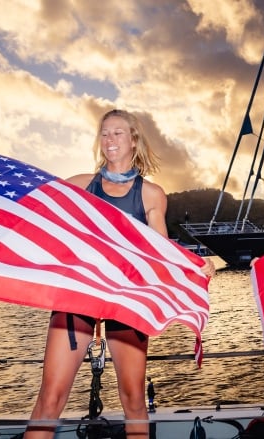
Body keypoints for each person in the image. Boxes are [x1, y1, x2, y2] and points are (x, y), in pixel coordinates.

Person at [25, 109, 216, 439]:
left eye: (117, 133)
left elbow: (162, 252)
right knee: (50, 399)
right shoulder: (81, 185)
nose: (109, 140)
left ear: (133, 140)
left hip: (129, 301)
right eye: (104, 133)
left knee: (133, 401)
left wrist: (196, 266)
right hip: (80, 296)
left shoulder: (150, 195)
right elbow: (40, 208)